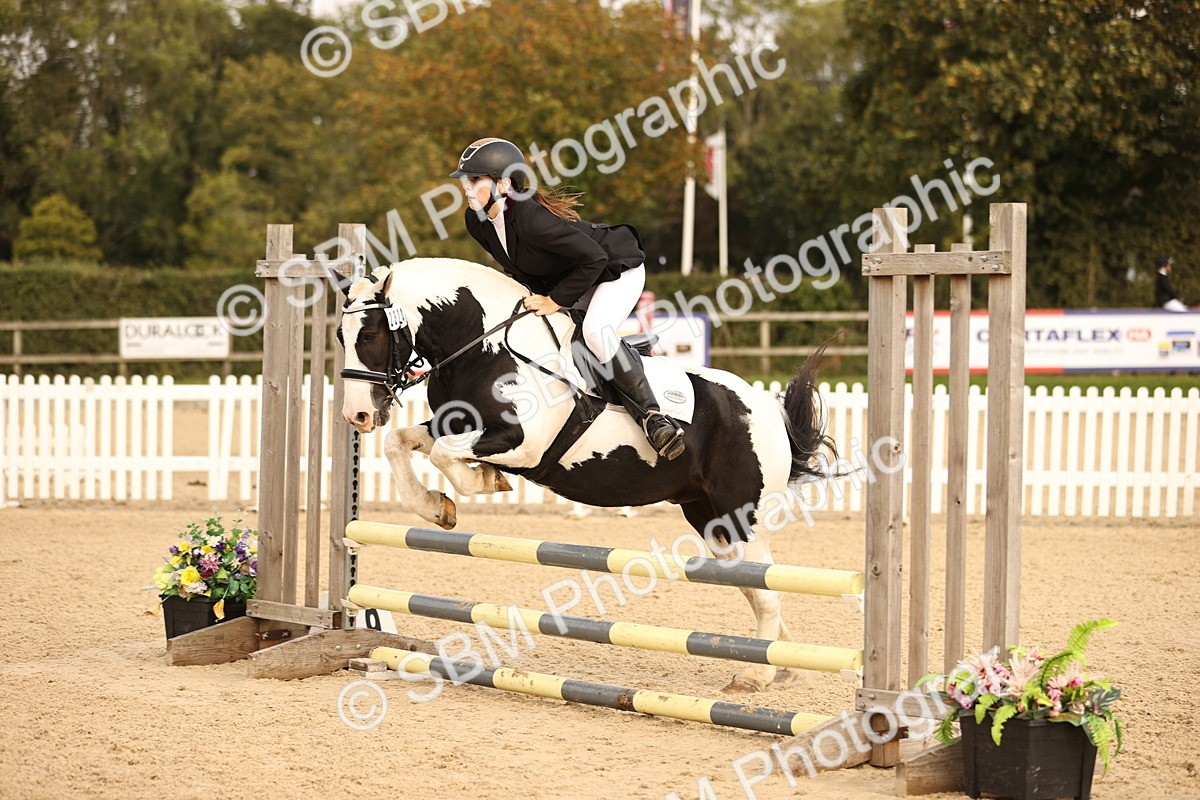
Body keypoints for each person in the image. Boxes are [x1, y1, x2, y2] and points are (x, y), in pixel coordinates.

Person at [450, 137, 685, 460]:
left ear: (503, 183)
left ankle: (654, 418)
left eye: (475, 179)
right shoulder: (477, 222)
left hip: (616, 270)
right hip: (573, 278)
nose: (466, 186)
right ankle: (619, 365)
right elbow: (519, 270)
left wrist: (554, 301)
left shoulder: (531, 217)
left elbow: (595, 258)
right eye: (466, 179)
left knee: (594, 331)